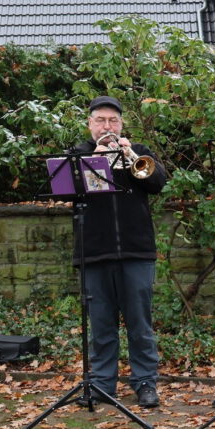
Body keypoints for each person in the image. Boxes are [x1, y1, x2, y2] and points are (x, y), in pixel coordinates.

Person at [73, 95, 167, 409]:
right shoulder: (79, 156)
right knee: (101, 325)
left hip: (136, 251)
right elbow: (68, 192)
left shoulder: (138, 153)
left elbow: (157, 183)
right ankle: (102, 384)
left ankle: (145, 383)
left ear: (122, 124)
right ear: (90, 125)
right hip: (94, 252)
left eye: (113, 121)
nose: (107, 126)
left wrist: (129, 156)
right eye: (100, 120)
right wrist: (96, 161)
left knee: (140, 324)